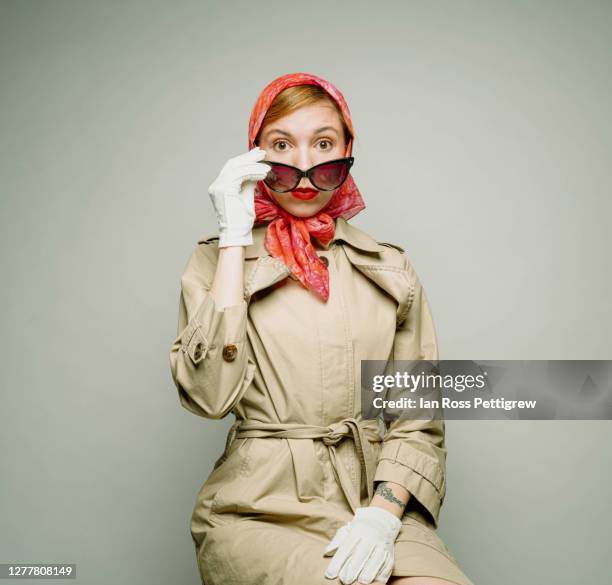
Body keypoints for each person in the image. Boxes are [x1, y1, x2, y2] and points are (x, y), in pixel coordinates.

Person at [169, 72, 474, 585]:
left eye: (324, 145)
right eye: (282, 145)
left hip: (374, 500)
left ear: (348, 151)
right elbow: (208, 398)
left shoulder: (390, 270)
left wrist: (381, 516)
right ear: (255, 156)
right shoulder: (216, 262)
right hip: (259, 507)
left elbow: (416, 420)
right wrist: (232, 239)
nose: (305, 168)